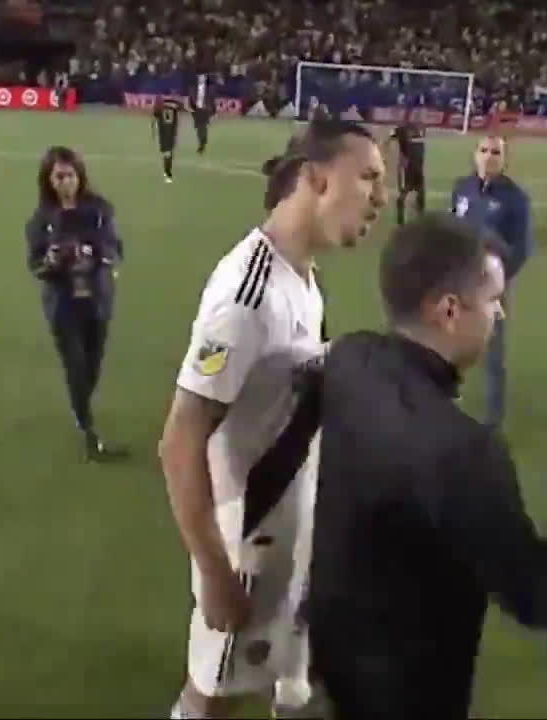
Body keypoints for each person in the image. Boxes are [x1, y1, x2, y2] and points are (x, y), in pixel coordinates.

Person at [159, 117, 386, 719]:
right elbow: (180, 442)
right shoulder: (248, 296)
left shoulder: (301, 277)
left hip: (287, 530)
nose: (382, 198)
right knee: (212, 700)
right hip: (247, 545)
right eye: (369, 178)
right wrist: (214, 572)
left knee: (280, 683)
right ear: (316, 178)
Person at [309, 213, 547, 719]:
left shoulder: (349, 360)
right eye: (493, 300)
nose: (500, 315)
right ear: (449, 310)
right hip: (410, 690)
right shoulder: (465, 452)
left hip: (330, 656)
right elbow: (535, 595)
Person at [26, 145, 127, 462]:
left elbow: (114, 247)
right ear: (48, 180)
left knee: (92, 364)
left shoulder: (99, 210)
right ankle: (89, 431)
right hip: (62, 305)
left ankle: (81, 407)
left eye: (70, 175)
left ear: (80, 176)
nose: (66, 182)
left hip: (97, 299)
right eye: (59, 177)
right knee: (75, 365)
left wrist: (93, 254)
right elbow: (35, 266)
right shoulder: (41, 220)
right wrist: (51, 261)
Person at [449, 133, 531, 429]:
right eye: (483, 150)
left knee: (493, 350)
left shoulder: (515, 198)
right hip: (458, 279)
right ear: (475, 154)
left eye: (496, 152)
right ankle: (448, 389)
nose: (488, 157)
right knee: (450, 336)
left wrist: (497, 284)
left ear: (504, 159)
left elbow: (522, 249)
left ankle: (493, 420)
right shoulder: (462, 188)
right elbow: (452, 228)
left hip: (492, 287)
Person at [385, 118, 427, 225]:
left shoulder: (415, 128)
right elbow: (390, 138)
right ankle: (402, 220)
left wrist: (388, 145)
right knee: (407, 195)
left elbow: (390, 138)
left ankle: (415, 217)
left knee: (418, 194)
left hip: (415, 168)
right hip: (410, 168)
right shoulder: (405, 129)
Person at [153, 95, 185, 183]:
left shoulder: (162, 107)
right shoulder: (172, 106)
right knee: (168, 153)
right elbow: (182, 107)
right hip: (168, 133)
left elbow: (155, 113)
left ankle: (167, 172)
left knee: (168, 153)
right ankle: (167, 173)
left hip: (166, 134)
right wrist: (175, 102)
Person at [186, 73, 216, 154]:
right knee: (199, 128)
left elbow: (212, 100)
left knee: (202, 126)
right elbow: (190, 99)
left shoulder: (209, 89)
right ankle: (202, 142)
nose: (201, 79)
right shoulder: (193, 88)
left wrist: (213, 112)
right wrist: (191, 109)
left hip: (205, 110)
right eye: (200, 77)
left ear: (205, 79)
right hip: (197, 110)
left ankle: (202, 143)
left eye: (203, 77)